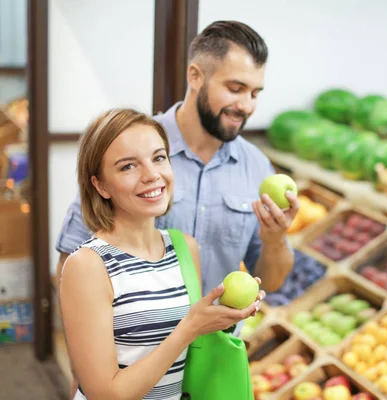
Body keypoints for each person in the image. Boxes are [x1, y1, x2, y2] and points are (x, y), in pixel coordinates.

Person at [56, 20, 297, 317]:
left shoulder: (258, 167)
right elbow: (71, 260)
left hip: (215, 352)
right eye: (236, 89)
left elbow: (271, 282)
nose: (246, 106)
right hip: (137, 352)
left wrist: (275, 238)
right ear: (195, 76)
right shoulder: (131, 147)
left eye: (255, 93)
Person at [60, 108, 265, 400]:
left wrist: (225, 317)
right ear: (100, 185)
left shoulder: (183, 248)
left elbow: (184, 355)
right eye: (128, 166)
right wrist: (190, 328)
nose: (152, 175)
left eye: (158, 158)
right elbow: (105, 394)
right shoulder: (88, 266)